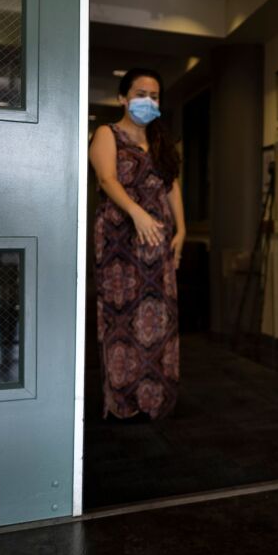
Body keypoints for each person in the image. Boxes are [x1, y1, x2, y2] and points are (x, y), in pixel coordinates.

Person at [89, 68, 185, 420]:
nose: (148, 100)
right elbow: (107, 179)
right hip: (121, 243)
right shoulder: (107, 133)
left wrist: (182, 231)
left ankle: (156, 397)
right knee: (122, 320)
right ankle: (124, 402)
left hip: (158, 242)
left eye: (155, 95)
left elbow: (172, 186)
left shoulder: (161, 141)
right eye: (141, 93)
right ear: (122, 98)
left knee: (159, 318)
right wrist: (136, 213)